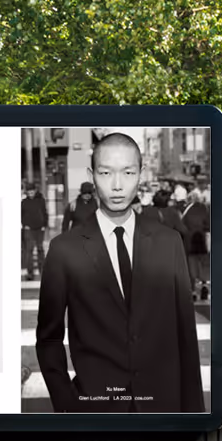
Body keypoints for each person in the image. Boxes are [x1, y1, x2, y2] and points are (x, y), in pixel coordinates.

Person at [36, 133, 204, 413]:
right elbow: (49, 337)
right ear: (92, 175)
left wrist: (193, 415)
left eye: (127, 173)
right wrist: (66, 404)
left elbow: (184, 334)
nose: (117, 185)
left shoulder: (169, 242)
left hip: (163, 411)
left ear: (140, 174)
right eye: (105, 173)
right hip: (96, 412)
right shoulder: (64, 250)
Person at [21, 184, 48, 280]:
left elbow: (45, 213)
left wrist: (44, 225)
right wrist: (25, 225)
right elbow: (20, 214)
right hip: (29, 229)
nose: (31, 193)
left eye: (32, 191)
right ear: (27, 192)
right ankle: (30, 273)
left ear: (35, 191)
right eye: (29, 192)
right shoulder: (23, 202)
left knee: (40, 249)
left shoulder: (41, 201)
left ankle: (43, 271)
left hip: (40, 229)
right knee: (29, 250)